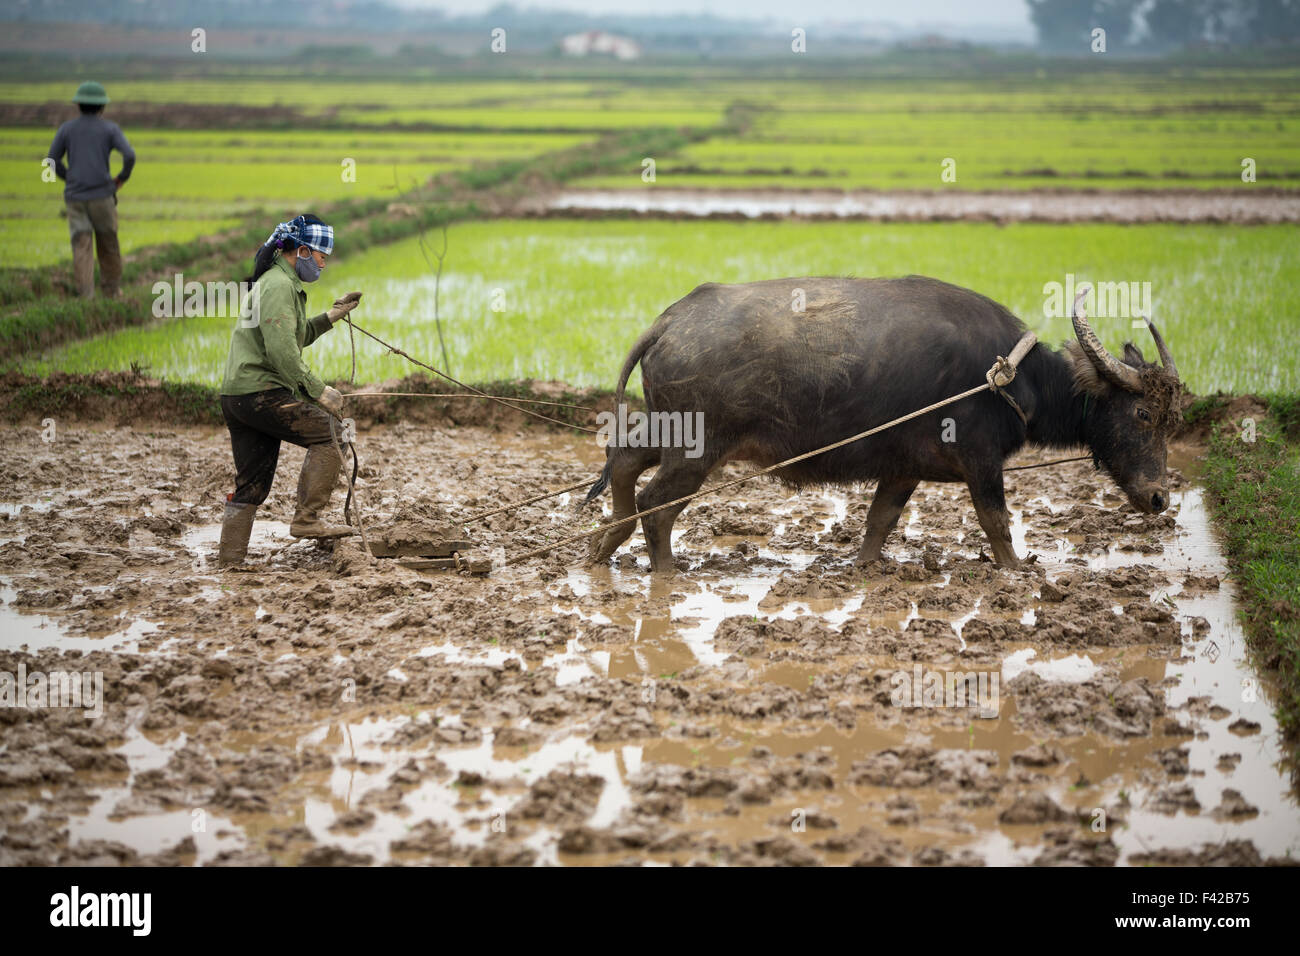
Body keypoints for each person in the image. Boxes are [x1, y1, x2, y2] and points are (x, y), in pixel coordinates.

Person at [217, 213, 363, 567]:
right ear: (300, 251)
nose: (323, 264)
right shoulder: (280, 287)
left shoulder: (276, 282)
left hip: (238, 396)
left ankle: (229, 561)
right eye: (321, 256)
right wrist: (318, 391)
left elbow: (292, 338)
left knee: (251, 483)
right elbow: (282, 353)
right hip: (262, 393)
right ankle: (307, 519)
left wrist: (331, 316)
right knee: (332, 433)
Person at [45, 81, 135, 299]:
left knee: (81, 245)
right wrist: (120, 179)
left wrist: (70, 178)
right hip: (102, 196)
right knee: (108, 243)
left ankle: (86, 296)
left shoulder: (66, 129)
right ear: (102, 107)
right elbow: (130, 156)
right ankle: (112, 292)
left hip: (75, 198)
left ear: (79, 106)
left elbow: (51, 160)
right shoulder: (109, 129)